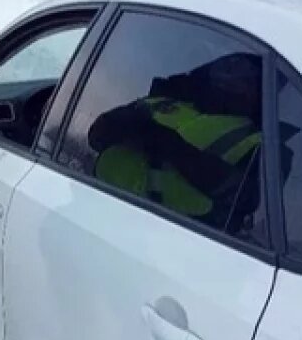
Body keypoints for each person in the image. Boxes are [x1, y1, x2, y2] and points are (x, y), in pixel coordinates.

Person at [88, 53, 269, 230]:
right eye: (227, 66)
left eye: (244, 74)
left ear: (260, 93)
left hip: (175, 240)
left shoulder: (264, 144)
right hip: (97, 207)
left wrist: (169, 145)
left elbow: (246, 200)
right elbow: (94, 138)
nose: (228, 75)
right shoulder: (161, 102)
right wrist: (124, 124)